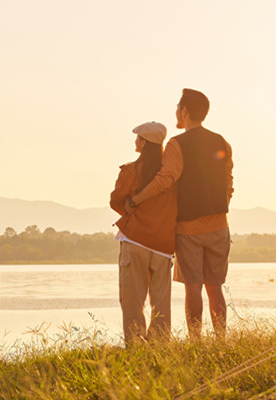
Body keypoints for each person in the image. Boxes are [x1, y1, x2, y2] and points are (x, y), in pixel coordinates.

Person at [128, 89, 233, 341]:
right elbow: (229, 182)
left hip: (189, 229)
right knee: (215, 288)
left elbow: (166, 178)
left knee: (193, 287)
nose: (176, 110)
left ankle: (195, 342)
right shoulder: (223, 142)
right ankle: (221, 342)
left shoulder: (177, 143)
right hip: (220, 226)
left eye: (178, 106)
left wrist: (137, 199)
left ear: (185, 111)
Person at [110, 121, 178, 344]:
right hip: (163, 244)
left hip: (135, 240)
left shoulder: (131, 171)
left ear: (144, 143)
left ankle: (136, 345)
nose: (135, 140)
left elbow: (116, 201)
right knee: (161, 302)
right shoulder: (171, 176)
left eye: (138, 137)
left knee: (132, 299)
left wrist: (132, 209)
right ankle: (159, 346)